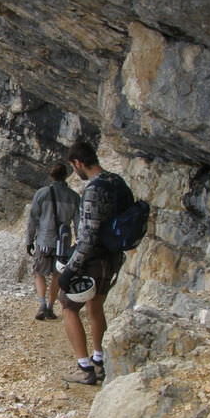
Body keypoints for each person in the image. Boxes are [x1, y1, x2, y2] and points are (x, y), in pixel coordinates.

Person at [57, 139, 132, 385]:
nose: (75, 172)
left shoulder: (93, 189)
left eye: (74, 167)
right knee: (95, 304)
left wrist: (71, 268)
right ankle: (99, 361)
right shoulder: (117, 182)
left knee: (67, 305)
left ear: (78, 163)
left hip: (93, 258)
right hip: (114, 256)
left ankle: (84, 367)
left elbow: (88, 235)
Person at [24, 162, 80, 321]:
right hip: (63, 244)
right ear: (65, 175)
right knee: (57, 274)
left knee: (39, 273)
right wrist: (78, 244)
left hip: (43, 241)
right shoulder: (74, 197)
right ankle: (50, 307)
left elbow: (33, 219)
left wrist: (29, 240)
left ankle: (41, 304)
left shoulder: (42, 193)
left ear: (51, 176)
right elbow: (78, 223)